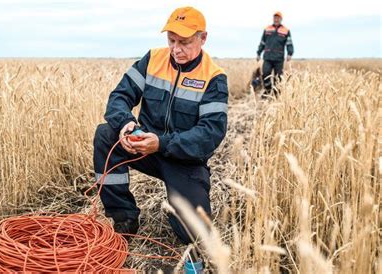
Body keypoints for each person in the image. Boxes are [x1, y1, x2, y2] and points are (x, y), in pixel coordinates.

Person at [93, 6, 228, 244]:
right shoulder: (152, 59)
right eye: (171, 40)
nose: (176, 49)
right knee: (106, 134)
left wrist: (161, 143)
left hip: (184, 160)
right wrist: (126, 124)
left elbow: (210, 133)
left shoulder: (214, 78)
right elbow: (119, 97)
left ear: (203, 38)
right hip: (144, 148)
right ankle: (124, 217)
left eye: (184, 42)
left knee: (194, 235)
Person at [256, 11, 294, 97]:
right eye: (275, 17)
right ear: (273, 18)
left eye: (278, 18)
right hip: (268, 58)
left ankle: (277, 94)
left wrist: (290, 53)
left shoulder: (286, 30)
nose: (276, 19)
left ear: (281, 19)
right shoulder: (267, 29)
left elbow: (289, 43)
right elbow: (262, 42)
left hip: (279, 58)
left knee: (278, 77)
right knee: (265, 74)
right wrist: (258, 53)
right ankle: (268, 91)